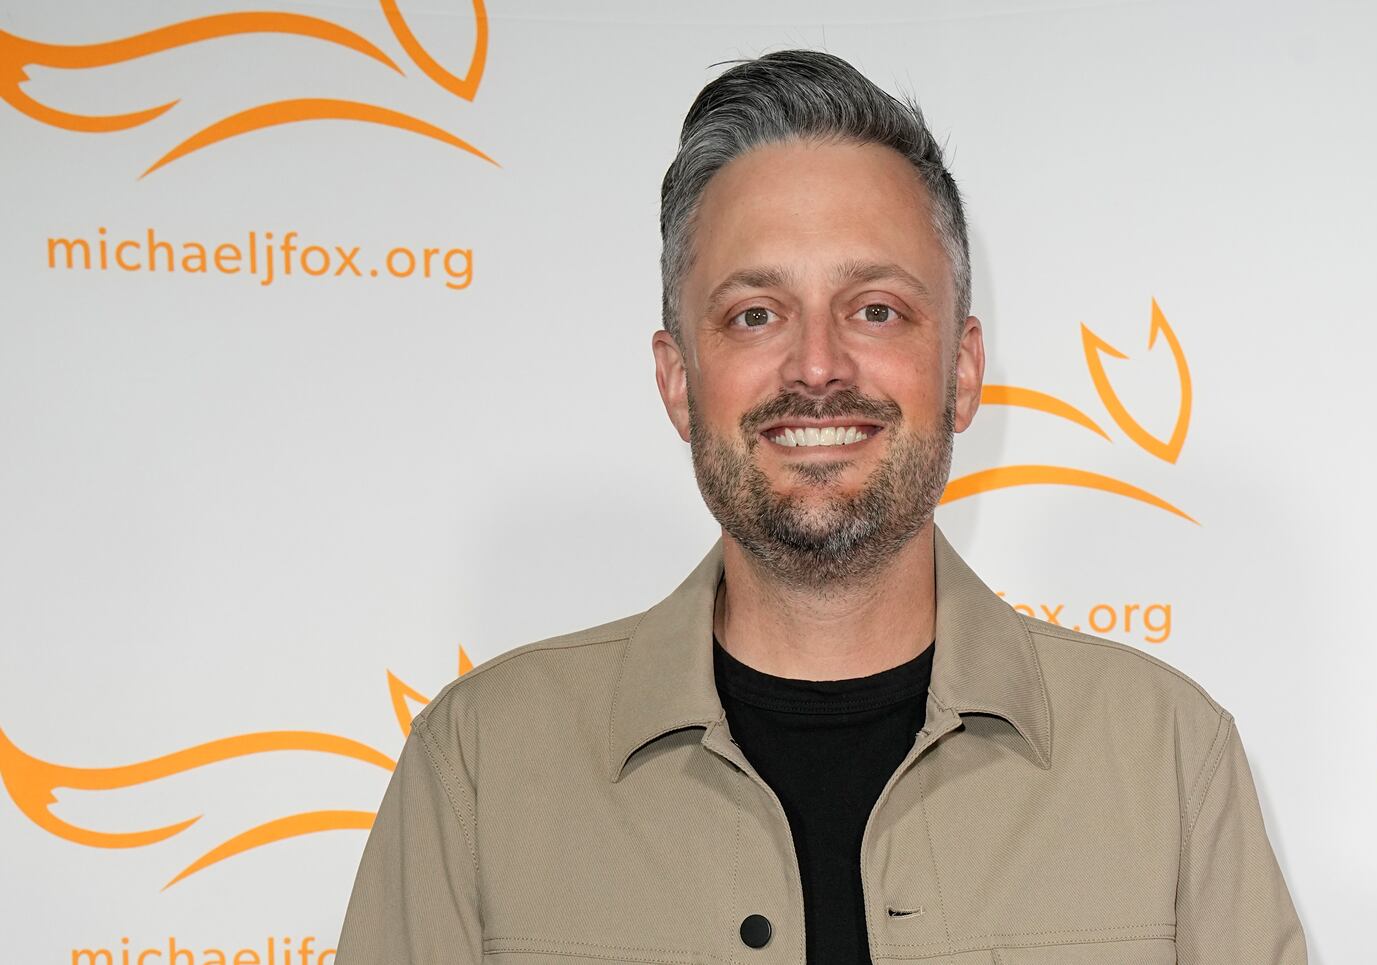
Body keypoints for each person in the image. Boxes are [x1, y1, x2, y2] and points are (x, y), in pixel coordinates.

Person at [334, 50, 1307, 965]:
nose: (816, 365)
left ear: (961, 370)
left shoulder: (1170, 760)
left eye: (875, 308)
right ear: (678, 381)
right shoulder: (478, 769)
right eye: (755, 313)